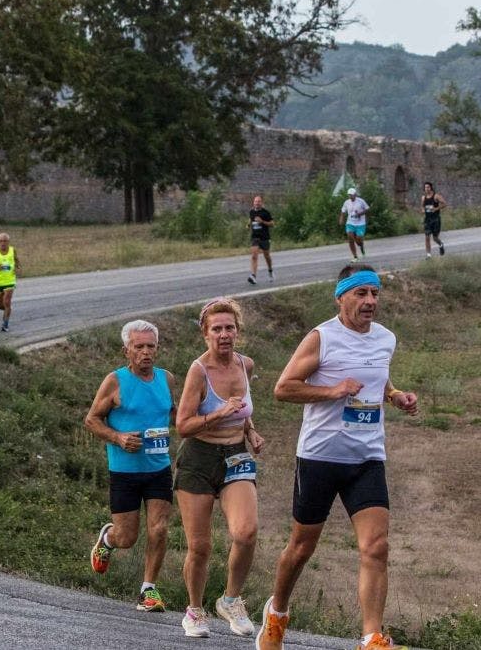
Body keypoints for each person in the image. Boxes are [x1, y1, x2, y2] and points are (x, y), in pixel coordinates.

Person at [255, 264, 418, 650]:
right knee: (301, 548)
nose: (370, 302)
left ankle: (372, 637)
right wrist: (333, 391)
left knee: (376, 546)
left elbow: (377, 376)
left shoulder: (385, 339)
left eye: (375, 294)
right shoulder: (321, 338)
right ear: (341, 297)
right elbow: (283, 388)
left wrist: (394, 395)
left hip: (367, 457)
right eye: (361, 294)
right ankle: (276, 614)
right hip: (320, 457)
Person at [174, 297, 265, 638]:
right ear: (205, 334)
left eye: (230, 327)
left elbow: (244, 407)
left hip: (236, 457)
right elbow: (183, 425)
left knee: (246, 532)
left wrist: (250, 430)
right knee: (200, 546)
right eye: (217, 329)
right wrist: (218, 414)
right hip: (198, 458)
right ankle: (194, 611)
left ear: (237, 331)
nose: (224, 334)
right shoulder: (199, 371)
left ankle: (230, 599)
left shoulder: (246, 365)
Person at [86, 320, 177, 614]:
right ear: (127, 350)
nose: (146, 352)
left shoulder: (168, 379)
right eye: (139, 347)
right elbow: (92, 420)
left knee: (159, 529)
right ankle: (107, 539)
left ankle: (148, 590)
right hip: (125, 470)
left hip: (159, 468)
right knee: (127, 538)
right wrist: (118, 437)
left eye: (151, 346)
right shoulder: (115, 381)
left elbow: (174, 413)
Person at [0, 232, 21, 331]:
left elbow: (17, 262)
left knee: (6, 301)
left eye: (5, 241)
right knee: (0, 305)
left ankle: (5, 324)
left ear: (8, 242)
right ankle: (8, 310)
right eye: (1, 241)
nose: (3, 243)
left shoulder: (12, 250)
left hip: (10, 281)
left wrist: (18, 269)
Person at [247, 196, 274, 284]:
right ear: (253, 203)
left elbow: (272, 224)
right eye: (255, 201)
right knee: (254, 256)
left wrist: (262, 221)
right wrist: (248, 225)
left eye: (258, 202)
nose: (257, 203)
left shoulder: (265, 212)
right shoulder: (251, 211)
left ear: (261, 203)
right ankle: (253, 276)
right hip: (255, 237)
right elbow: (250, 220)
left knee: (267, 256)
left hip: (264, 237)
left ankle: (270, 271)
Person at [340, 188, 370, 262]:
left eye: (352, 195)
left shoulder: (361, 201)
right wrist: (341, 219)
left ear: (355, 194)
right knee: (350, 237)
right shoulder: (346, 202)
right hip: (350, 223)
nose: (350, 196)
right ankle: (355, 256)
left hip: (360, 223)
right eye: (349, 195)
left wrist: (360, 214)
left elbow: (367, 209)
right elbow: (343, 211)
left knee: (359, 237)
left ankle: (361, 245)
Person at [420, 182, 447, 258]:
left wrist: (436, 208)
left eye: (428, 187)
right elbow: (422, 206)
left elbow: (444, 204)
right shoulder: (423, 197)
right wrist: (422, 210)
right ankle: (428, 255)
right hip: (427, 220)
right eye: (425, 187)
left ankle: (441, 245)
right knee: (427, 237)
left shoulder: (436, 196)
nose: (427, 189)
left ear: (431, 188)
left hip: (436, 219)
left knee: (435, 238)